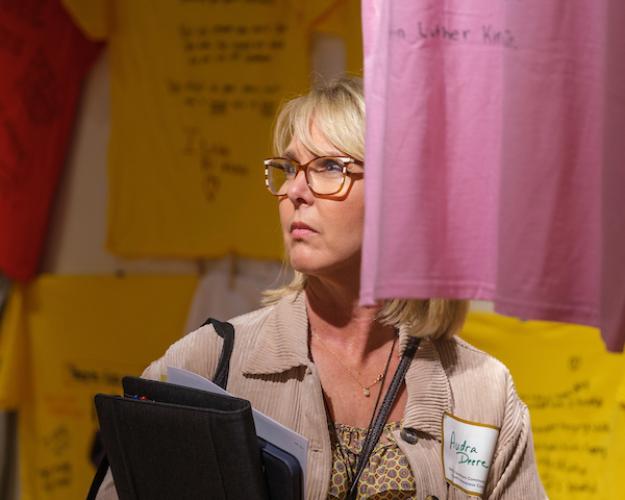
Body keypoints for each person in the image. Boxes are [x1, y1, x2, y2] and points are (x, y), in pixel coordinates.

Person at [95, 77, 546, 499]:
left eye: (330, 166)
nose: (295, 190)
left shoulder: (482, 392)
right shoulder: (208, 363)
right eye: (289, 168)